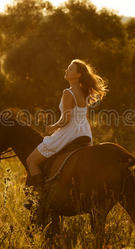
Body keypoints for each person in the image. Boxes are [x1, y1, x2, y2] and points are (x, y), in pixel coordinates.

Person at [25, 59, 108, 189]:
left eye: (70, 69)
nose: (66, 70)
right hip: (84, 133)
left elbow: (66, 119)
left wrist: (53, 127)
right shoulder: (84, 92)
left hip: (70, 133)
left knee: (31, 161)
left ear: (78, 75)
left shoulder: (68, 92)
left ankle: (39, 194)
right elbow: (85, 117)